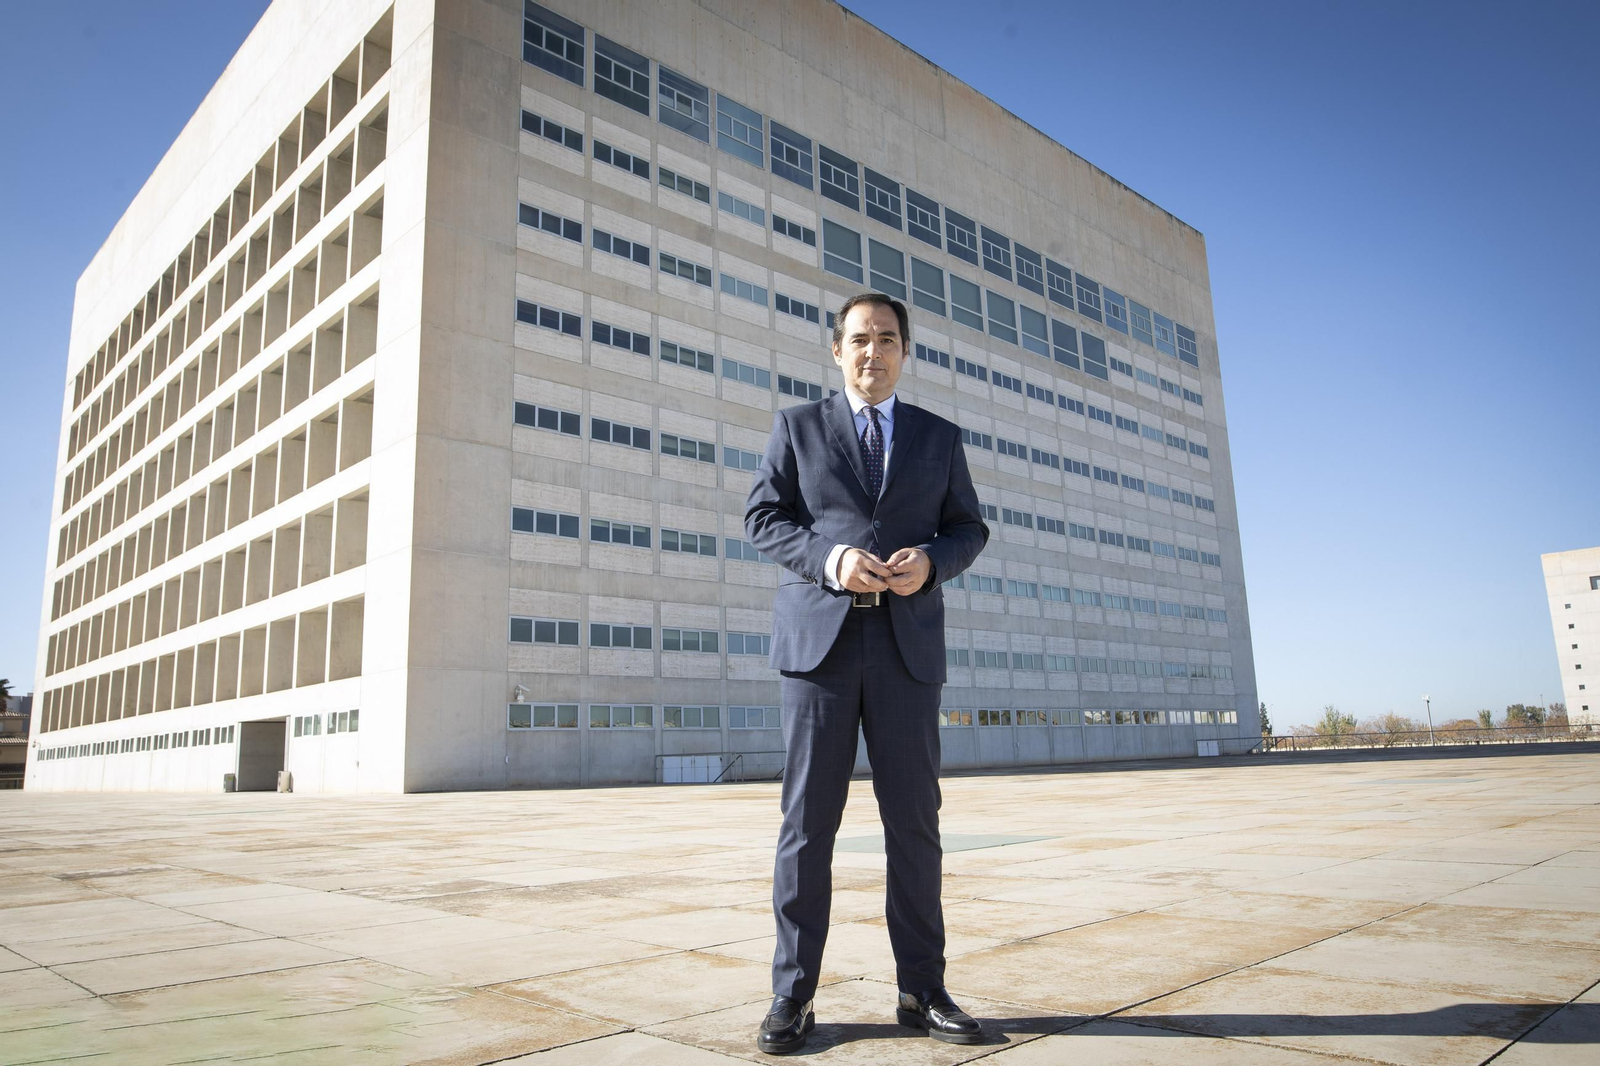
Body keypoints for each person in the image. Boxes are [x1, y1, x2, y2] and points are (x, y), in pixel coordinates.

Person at [744, 293, 990, 1053]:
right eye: (859, 339)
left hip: (907, 650)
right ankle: (793, 994)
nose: (872, 351)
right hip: (819, 651)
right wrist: (832, 559)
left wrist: (933, 562)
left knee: (914, 825)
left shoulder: (939, 438)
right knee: (806, 827)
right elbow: (763, 517)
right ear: (836, 349)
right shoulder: (797, 427)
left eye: (887, 339)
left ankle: (923, 990)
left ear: (904, 351)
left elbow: (969, 526)